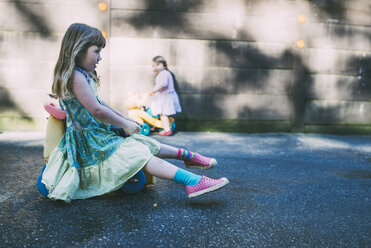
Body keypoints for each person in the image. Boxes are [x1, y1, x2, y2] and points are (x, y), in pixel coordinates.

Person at [42, 23, 229, 203]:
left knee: (144, 142)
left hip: (97, 135)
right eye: (96, 51)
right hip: (88, 143)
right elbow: (97, 110)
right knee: (138, 153)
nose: (100, 57)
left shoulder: (83, 75)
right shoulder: (76, 77)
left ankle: (189, 157)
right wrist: (124, 124)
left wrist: (125, 118)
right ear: (78, 49)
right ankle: (193, 182)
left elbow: (101, 104)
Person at [148, 56, 181, 136]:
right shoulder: (162, 73)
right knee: (159, 112)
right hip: (163, 96)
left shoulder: (164, 73)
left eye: (158, 65)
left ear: (164, 65)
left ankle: (167, 130)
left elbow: (163, 84)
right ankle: (157, 126)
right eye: (153, 66)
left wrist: (153, 91)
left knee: (163, 114)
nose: (155, 67)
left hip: (165, 97)